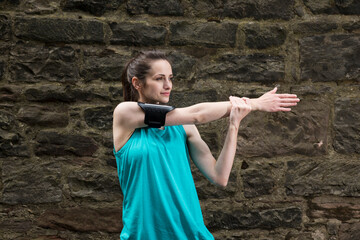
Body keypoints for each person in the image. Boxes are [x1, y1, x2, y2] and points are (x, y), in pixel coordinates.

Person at [112, 51, 299, 239]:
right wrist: (255, 103)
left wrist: (234, 125)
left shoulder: (184, 127)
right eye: (159, 79)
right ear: (137, 83)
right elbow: (197, 114)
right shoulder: (125, 114)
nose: (168, 85)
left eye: (170, 78)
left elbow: (219, 177)